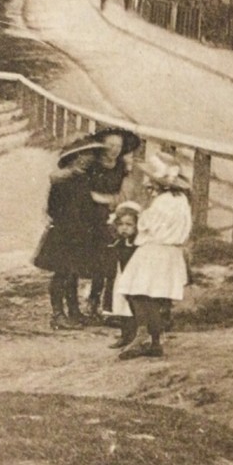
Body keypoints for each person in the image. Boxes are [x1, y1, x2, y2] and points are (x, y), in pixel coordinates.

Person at [115, 152, 192, 360]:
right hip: (171, 252)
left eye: (150, 179)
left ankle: (143, 337)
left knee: (139, 294)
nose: (147, 181)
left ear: (159, 184)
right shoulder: (181, 200)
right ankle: (155, 342)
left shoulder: (161, 203)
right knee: (151, 296)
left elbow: (144, 226)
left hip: (155, 251)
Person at [32, 135, 106, 330]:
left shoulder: (85, 179)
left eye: (91, 155)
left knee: (73, 273)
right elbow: (53, 209)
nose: (89, 158)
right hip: (64, 233)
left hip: (79, 232)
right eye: (85, 154)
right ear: (75, 157)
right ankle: (58, 314)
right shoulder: (62, 180)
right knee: (62, 273)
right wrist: (72, 223)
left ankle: (74, 311)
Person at [83, 127, 141, 321]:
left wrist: (118, 200)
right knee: (98, 262)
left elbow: (126, 194)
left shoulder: (122, 168)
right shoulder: (93, 166)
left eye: (119, 145)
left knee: (112, 263)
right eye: (110, 145)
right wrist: (104, 199)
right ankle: (92, 301)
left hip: (116, 217)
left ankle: (112, 305)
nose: (114, 149)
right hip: (94, 217)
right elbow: (86, 193)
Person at [103, 201, 141, 348]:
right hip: (120, 278)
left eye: (129, 224)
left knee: (132, 306)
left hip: (133, 279)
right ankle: (125, 335)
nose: (124, 228)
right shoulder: (118, 242)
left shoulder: (138, 245)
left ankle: (134, 336)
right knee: (120, 305)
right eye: (121, 224)